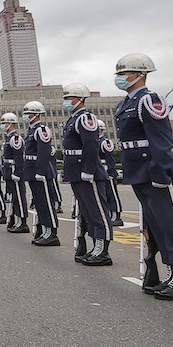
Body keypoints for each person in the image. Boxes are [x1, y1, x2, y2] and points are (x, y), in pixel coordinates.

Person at [113, 53, 173, 300]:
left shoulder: (149, 100)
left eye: (123, 73)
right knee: (159, 228)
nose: (119, 78)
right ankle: (172, 274)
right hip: (138, 172)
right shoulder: (126, 103)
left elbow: (160, 141)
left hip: (154, 170)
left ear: (140, 74)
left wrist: (161, 171)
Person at [60, 83, 113, 266]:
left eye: (69, 98)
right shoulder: (72, 119)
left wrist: (88, 170)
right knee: (88, 213)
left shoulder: (86, 118)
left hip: (86, 171)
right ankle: (95, 246)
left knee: (97, 211)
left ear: (80, 99)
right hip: (75, 170)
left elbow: (90, 146)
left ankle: (102, 249)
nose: (66, 101)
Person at [21, 101, 59, 246]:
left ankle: (52, 232)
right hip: (32, 171)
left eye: (28, 114)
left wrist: (41, 171)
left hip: (40, 172)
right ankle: (45, 230)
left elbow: (43, 153)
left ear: (36, 114)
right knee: (39, 202)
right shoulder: (31, 130)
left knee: (46, 202)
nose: (26, 116)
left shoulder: (41, 130)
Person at [0, 113, 29, 233]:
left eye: (4, 123)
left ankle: (22, 222)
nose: (2, 125)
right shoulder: (8, 138)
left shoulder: (15, 138)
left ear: (10, 123)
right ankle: (17, 220)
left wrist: (17, 172)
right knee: (13, 197)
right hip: (8, 169)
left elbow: (18, 158)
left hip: (13, 169)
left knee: (19, 197)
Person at [97, 120, 125, 228]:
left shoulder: (105, 142)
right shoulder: (95, 141)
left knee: (112, 194)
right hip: (99, 170)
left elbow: (110, 159)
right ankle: (109, 213)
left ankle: (116, 216)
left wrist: (111, 172)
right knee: (103, 195)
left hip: (106, 170)